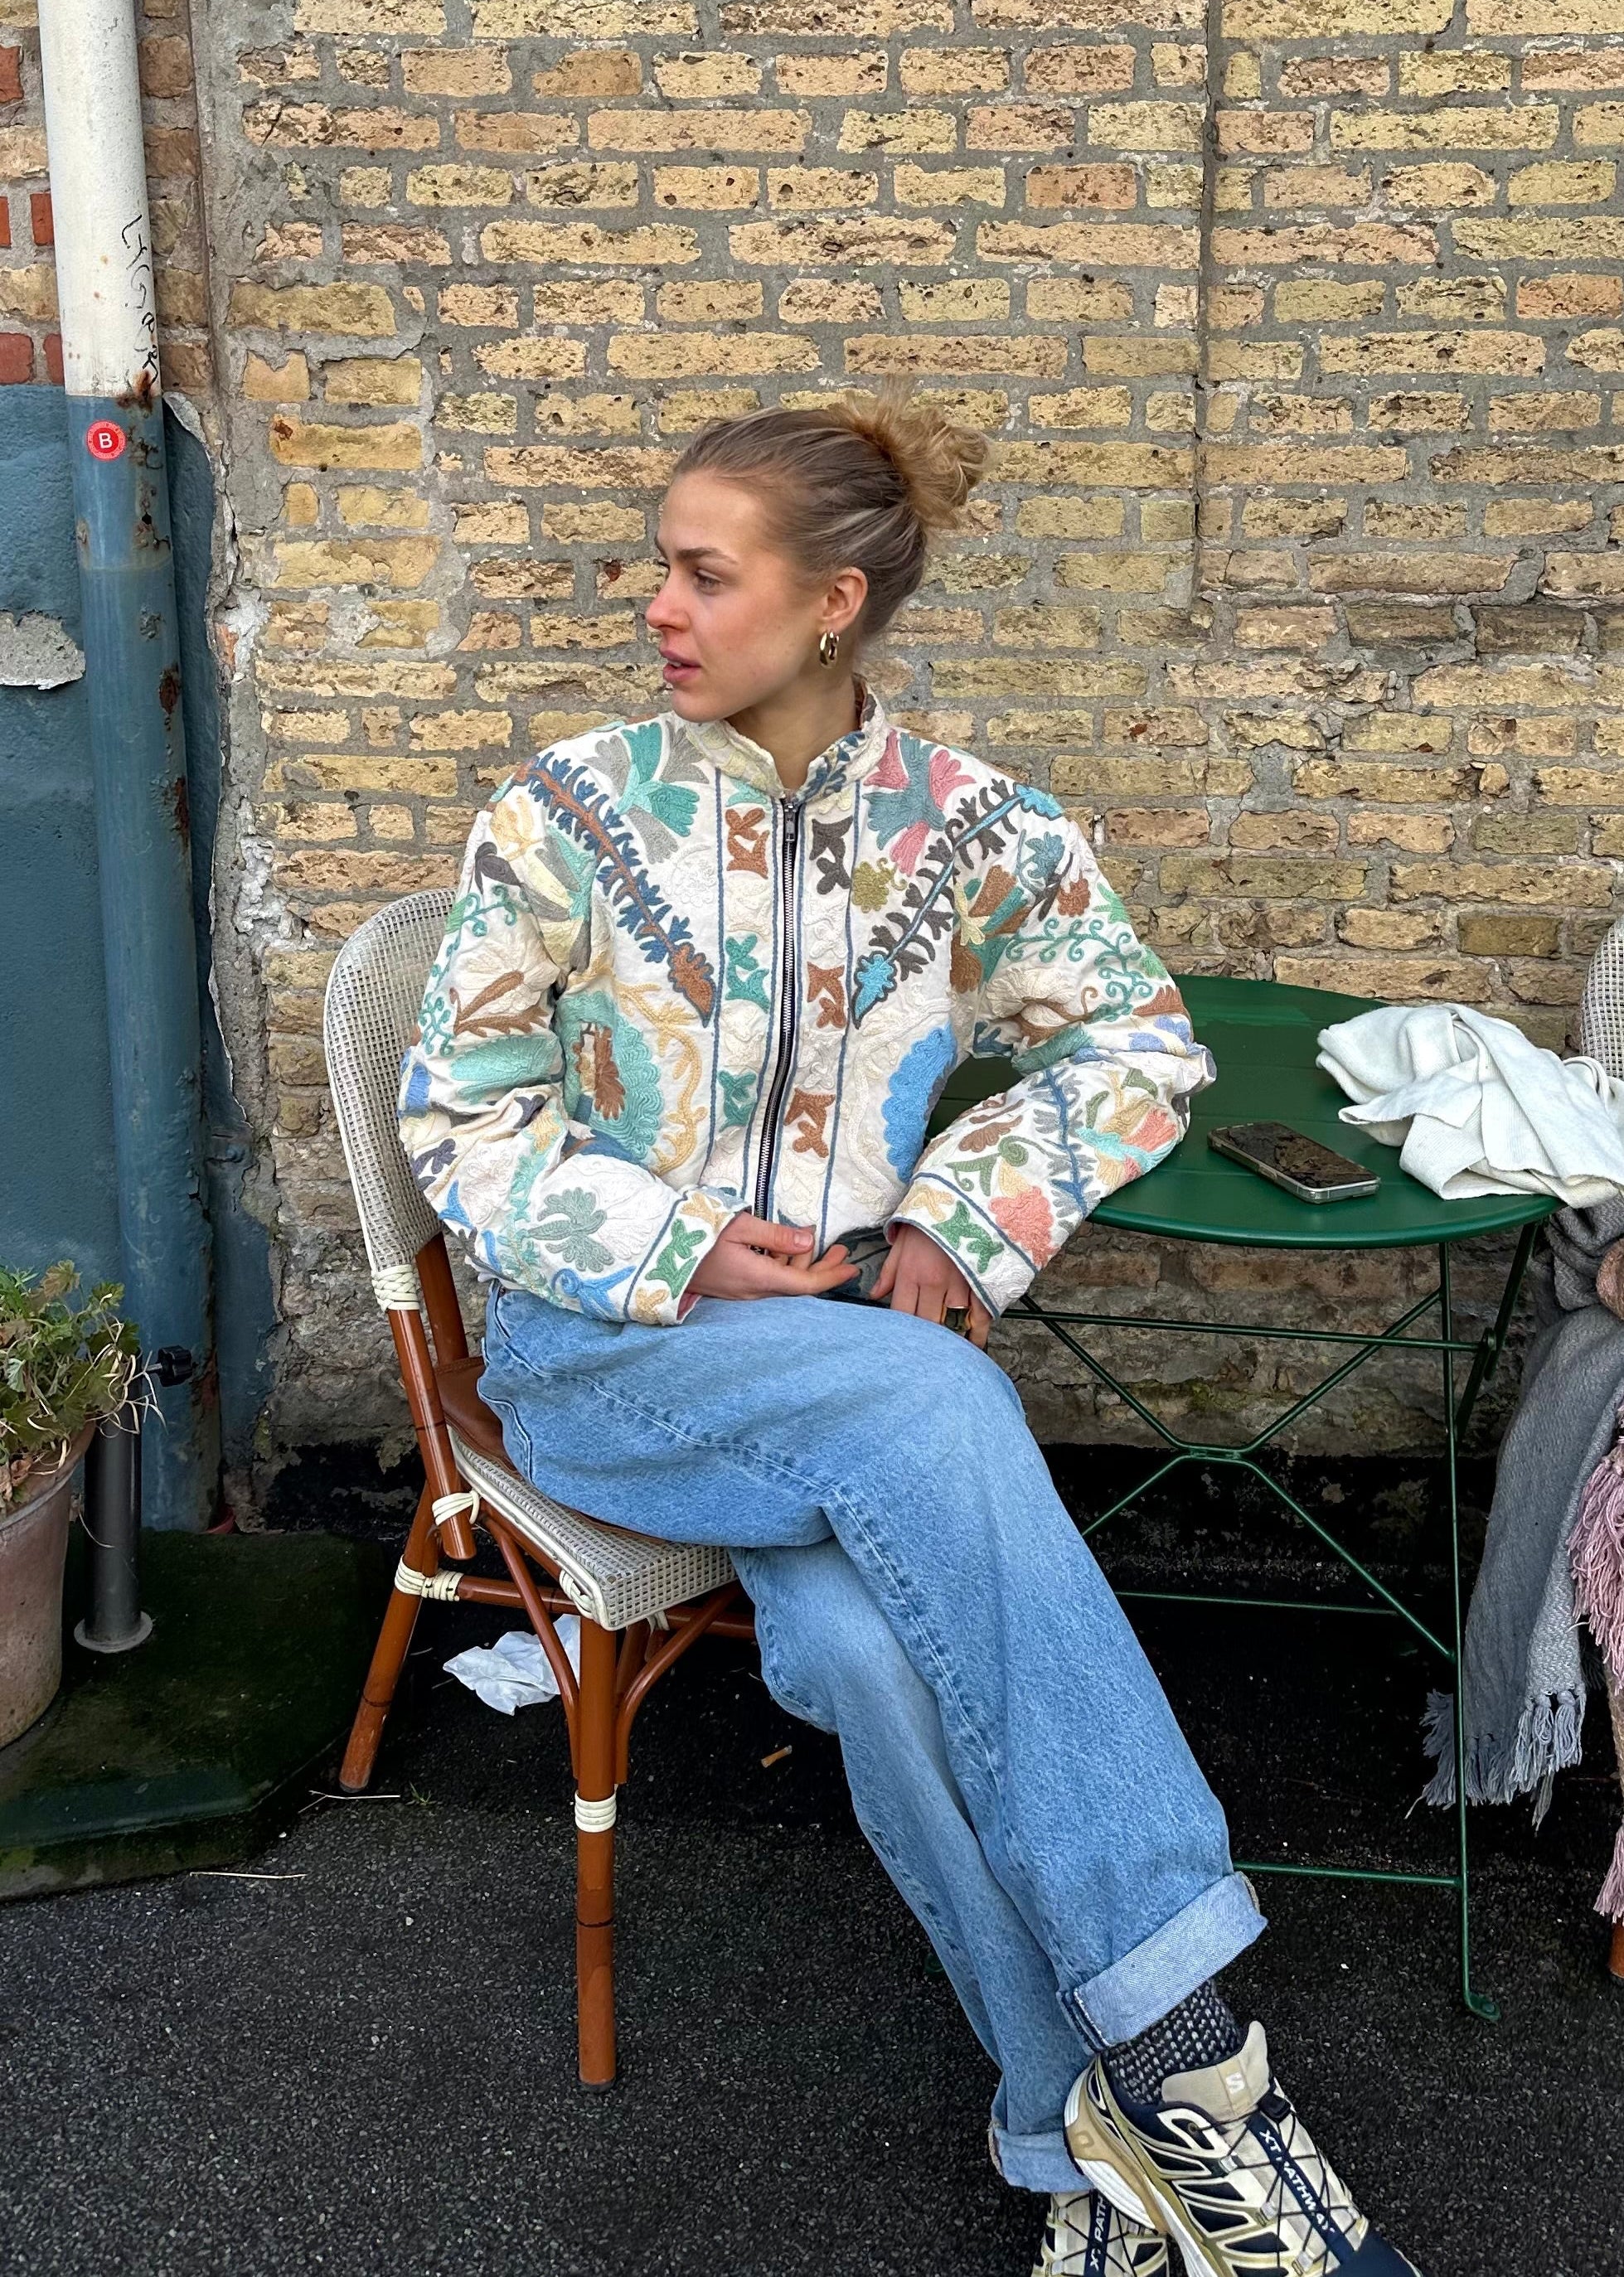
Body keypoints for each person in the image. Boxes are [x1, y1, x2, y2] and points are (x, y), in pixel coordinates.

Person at [398, 387, 1422, 2277]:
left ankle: (1082, 2150)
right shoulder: (565, 815)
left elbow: (1137, 1043)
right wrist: (684, 1247)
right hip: (606, 1357)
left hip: (853, 1375)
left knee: (876, 1657)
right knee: (937, 1404)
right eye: (660, 570)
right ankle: (1195, 2055)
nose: (659, 607)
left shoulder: (977, 830)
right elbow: (460, 1116)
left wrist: (963, 1214)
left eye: (705, 575)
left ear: (834, 602)